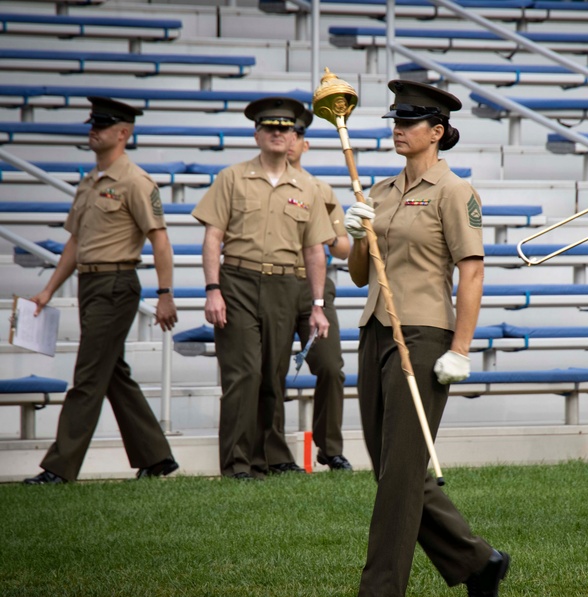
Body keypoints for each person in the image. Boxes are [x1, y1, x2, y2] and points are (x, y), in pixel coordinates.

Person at [335, 80, 508, 597]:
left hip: (425, 333)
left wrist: (460, 348)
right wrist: (359, 233)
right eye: (395, 120)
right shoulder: (380, 190)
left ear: (437, 132)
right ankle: (480, 561)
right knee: (395, 469)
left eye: (410, 122)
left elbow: (472, 271)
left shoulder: (455, 191)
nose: (398, 128)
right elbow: (361, 274)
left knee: (400, 475)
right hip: (375, 329)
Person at [24, 97, 179, 484]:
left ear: (123, 132)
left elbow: (159, 239)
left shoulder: (136, 182)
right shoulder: (90, 182)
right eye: (94, 122)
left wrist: (165, 294)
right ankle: (156, 456)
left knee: (89, 375)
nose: (94, 129)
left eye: (104, 124)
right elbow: (75, 242)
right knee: (112, 373)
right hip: (91, 284)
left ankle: (59, 467)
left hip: (116, 283)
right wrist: (47, 290)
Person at [192, 97, 334, 480]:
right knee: (243, 374)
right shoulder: (232, 178)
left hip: (287, 285)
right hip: (237, 281)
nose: (277, 133)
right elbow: (212, 237)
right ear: (256, 133)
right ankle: (237, 464)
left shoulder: (307, 187)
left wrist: (317, 305)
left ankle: (265, 460)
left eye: (284, 128)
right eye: (269, 126)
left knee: (272, 376)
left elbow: (315, 251)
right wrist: (212, 289)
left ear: (293, 137)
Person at [263, 108, 354, 472]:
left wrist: (334, 237)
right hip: (274, 283)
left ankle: (330, 448)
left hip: (313, 287)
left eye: (295, 134)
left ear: (304, 143)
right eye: (281, 132)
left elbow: (344, 248)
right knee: (271, 369)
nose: (288, 140)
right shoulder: (263, 184)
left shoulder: (319, 189)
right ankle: (274, 454)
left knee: (331, 366)